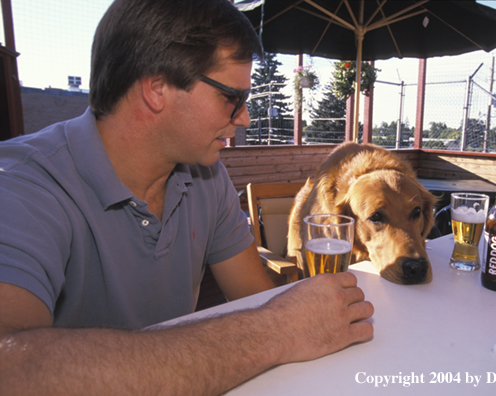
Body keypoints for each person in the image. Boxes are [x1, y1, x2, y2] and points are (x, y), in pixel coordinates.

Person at [0, 0, 374, 395]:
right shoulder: (22, 185)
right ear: (157, 87)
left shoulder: (206, 174)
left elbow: (254, 296)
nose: (244, 117)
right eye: (232, 97)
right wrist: (274, 329)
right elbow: (11, 369)